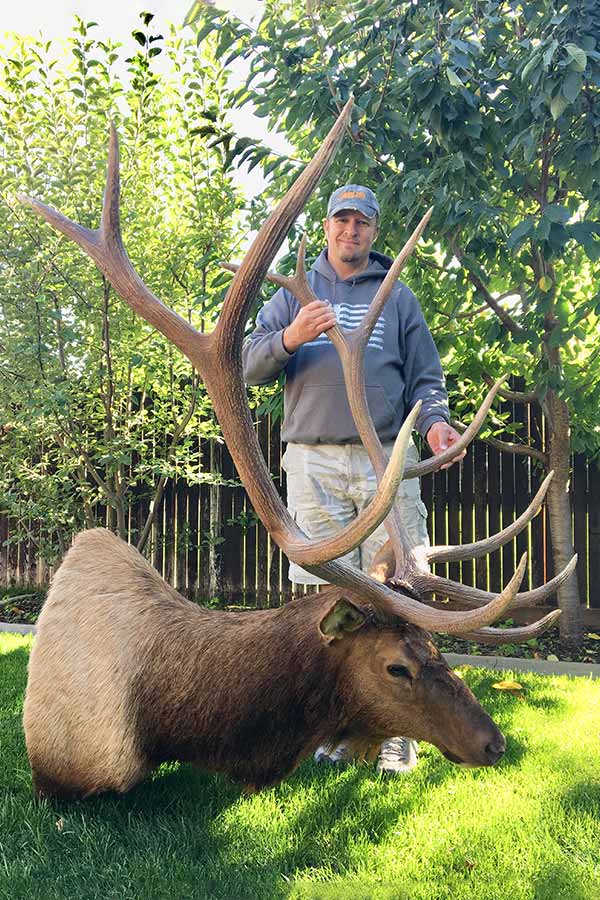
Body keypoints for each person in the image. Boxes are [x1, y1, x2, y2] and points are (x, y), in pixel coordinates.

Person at [242, 184, 465, 774]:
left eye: (362, 223)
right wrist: (291, 337)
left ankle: (398, 734)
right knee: (329, 604)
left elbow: (427, 377)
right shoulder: (296, 293)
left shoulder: (399, 298)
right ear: (326, 228)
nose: (351, 232)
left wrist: (438, 424)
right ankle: (330, 726)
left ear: (373, 231)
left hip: (385, 458)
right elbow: (247, 362)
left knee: (399, 592)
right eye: (342, 221)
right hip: (313, 460)